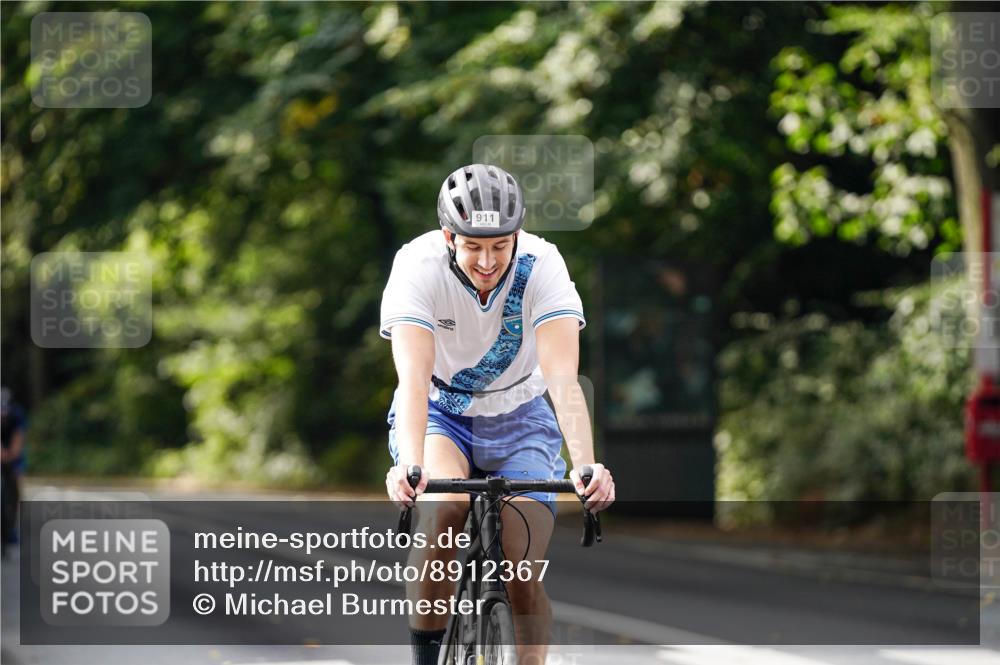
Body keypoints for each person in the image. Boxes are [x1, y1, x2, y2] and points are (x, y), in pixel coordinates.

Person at [381, 164, 615, 665]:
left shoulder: (542, 263)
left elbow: (561, 378)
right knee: (443, 510)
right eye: (473, 246)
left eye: (500, 245)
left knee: (523, 571)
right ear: (449, 236)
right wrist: (410, 465)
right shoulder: (417, 265)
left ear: (517, 236)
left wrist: (587, 465)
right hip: (442, 411)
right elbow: (414, 379)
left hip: (522, 414)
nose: (487, 260)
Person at [1, 387, 26, 558]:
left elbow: (19, 437)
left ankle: (10, 529)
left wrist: (11, 454)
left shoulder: (17, 414)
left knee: (14, 490)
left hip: (12, 453)